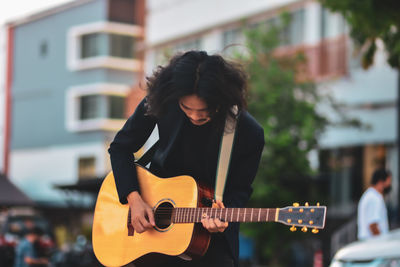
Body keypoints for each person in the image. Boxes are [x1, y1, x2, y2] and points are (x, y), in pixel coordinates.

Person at [108, 50, 264, 267]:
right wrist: (134, 199)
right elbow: (120, 148)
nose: (194, 116)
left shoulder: (249, 132)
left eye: (204, 110)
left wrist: (224, 213)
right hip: (155, 234)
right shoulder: (163, 101)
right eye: (186, 108)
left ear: (222, 99)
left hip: (209, 245)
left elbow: (240, 189)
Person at [357, 168, 392, 240]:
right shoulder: (374, 198)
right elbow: (373, 225)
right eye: (388, 181)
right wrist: (382, 241)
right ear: (380, 182)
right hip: (372, 244)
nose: (389, 185)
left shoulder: (370, 195)